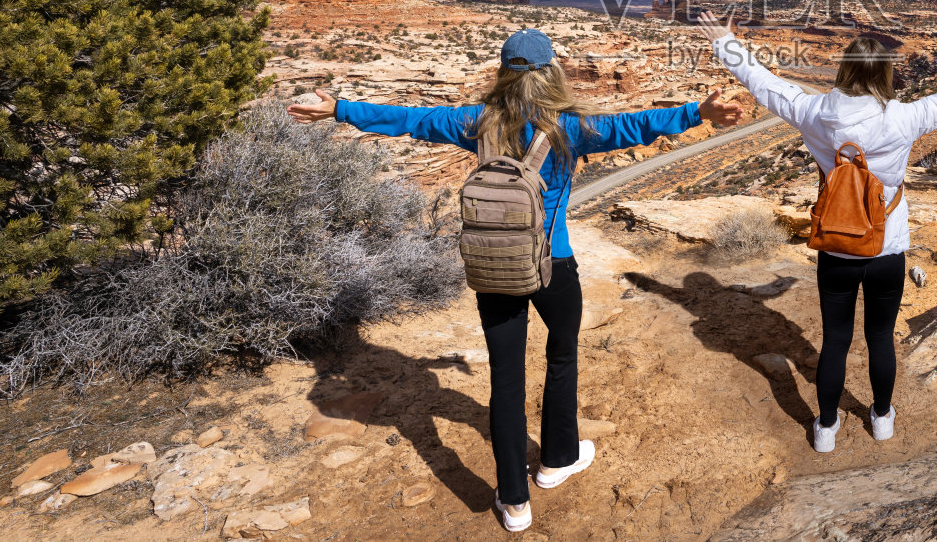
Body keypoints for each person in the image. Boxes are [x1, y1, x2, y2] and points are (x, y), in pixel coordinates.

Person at [288, 27, 742, 533]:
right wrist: (697, 113)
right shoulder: (571, 128)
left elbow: (410, 121)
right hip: (555, 266)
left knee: (506, 379)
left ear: (504, 73)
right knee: (562, 358)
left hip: (494, 269)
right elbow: (634, 126)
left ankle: (514, 501)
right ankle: (555, 462)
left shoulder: (474, 122)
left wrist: (340, 109)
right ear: (552, 73)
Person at [695, 10, 937, 452]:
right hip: (886, 249)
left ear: (844, 69)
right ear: (886, 75)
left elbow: (763, 82)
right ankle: (882, 418)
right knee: (879, 338)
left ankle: (826, 427)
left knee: (835, 340)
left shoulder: (813, 112)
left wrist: (725, 42)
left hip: (836, 247)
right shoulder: (905, 118)